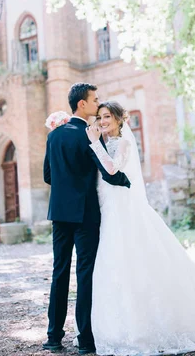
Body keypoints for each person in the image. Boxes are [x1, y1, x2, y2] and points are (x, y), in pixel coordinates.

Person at [83, 100, 195, 355]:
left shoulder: (124, 143)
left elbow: (111, 169)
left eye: (107, 116)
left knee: (134, 260)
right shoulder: (105, 143)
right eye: (100, 117)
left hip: (124, 210)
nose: (103, 121)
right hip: (108, 210)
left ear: (119, 119)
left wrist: (94, 142)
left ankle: (148, 327)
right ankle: (115, 328)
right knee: (113, 264)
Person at [42, 84, 131, 355]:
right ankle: (86, 339)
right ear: (82, 104)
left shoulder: (55, 135)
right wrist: (124, 181)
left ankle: (54, 337)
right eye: (94, 100)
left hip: (59, 213)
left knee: (59, 273)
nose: (98, 104)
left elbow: (48, 176)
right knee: (85, 274)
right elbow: (106, 171)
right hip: (85, 214)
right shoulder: (89, 135)